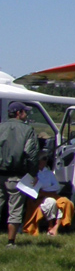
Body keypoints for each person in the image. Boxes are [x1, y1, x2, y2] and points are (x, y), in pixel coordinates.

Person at [0, 102, 41, 246]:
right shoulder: (27, 130)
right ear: (18, 113)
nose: (26, 114)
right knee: (15, 209)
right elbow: (31, 153)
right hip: (16, 176)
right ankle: (11, 241)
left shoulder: (1, 127)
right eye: (25, 112)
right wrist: (33, 173)